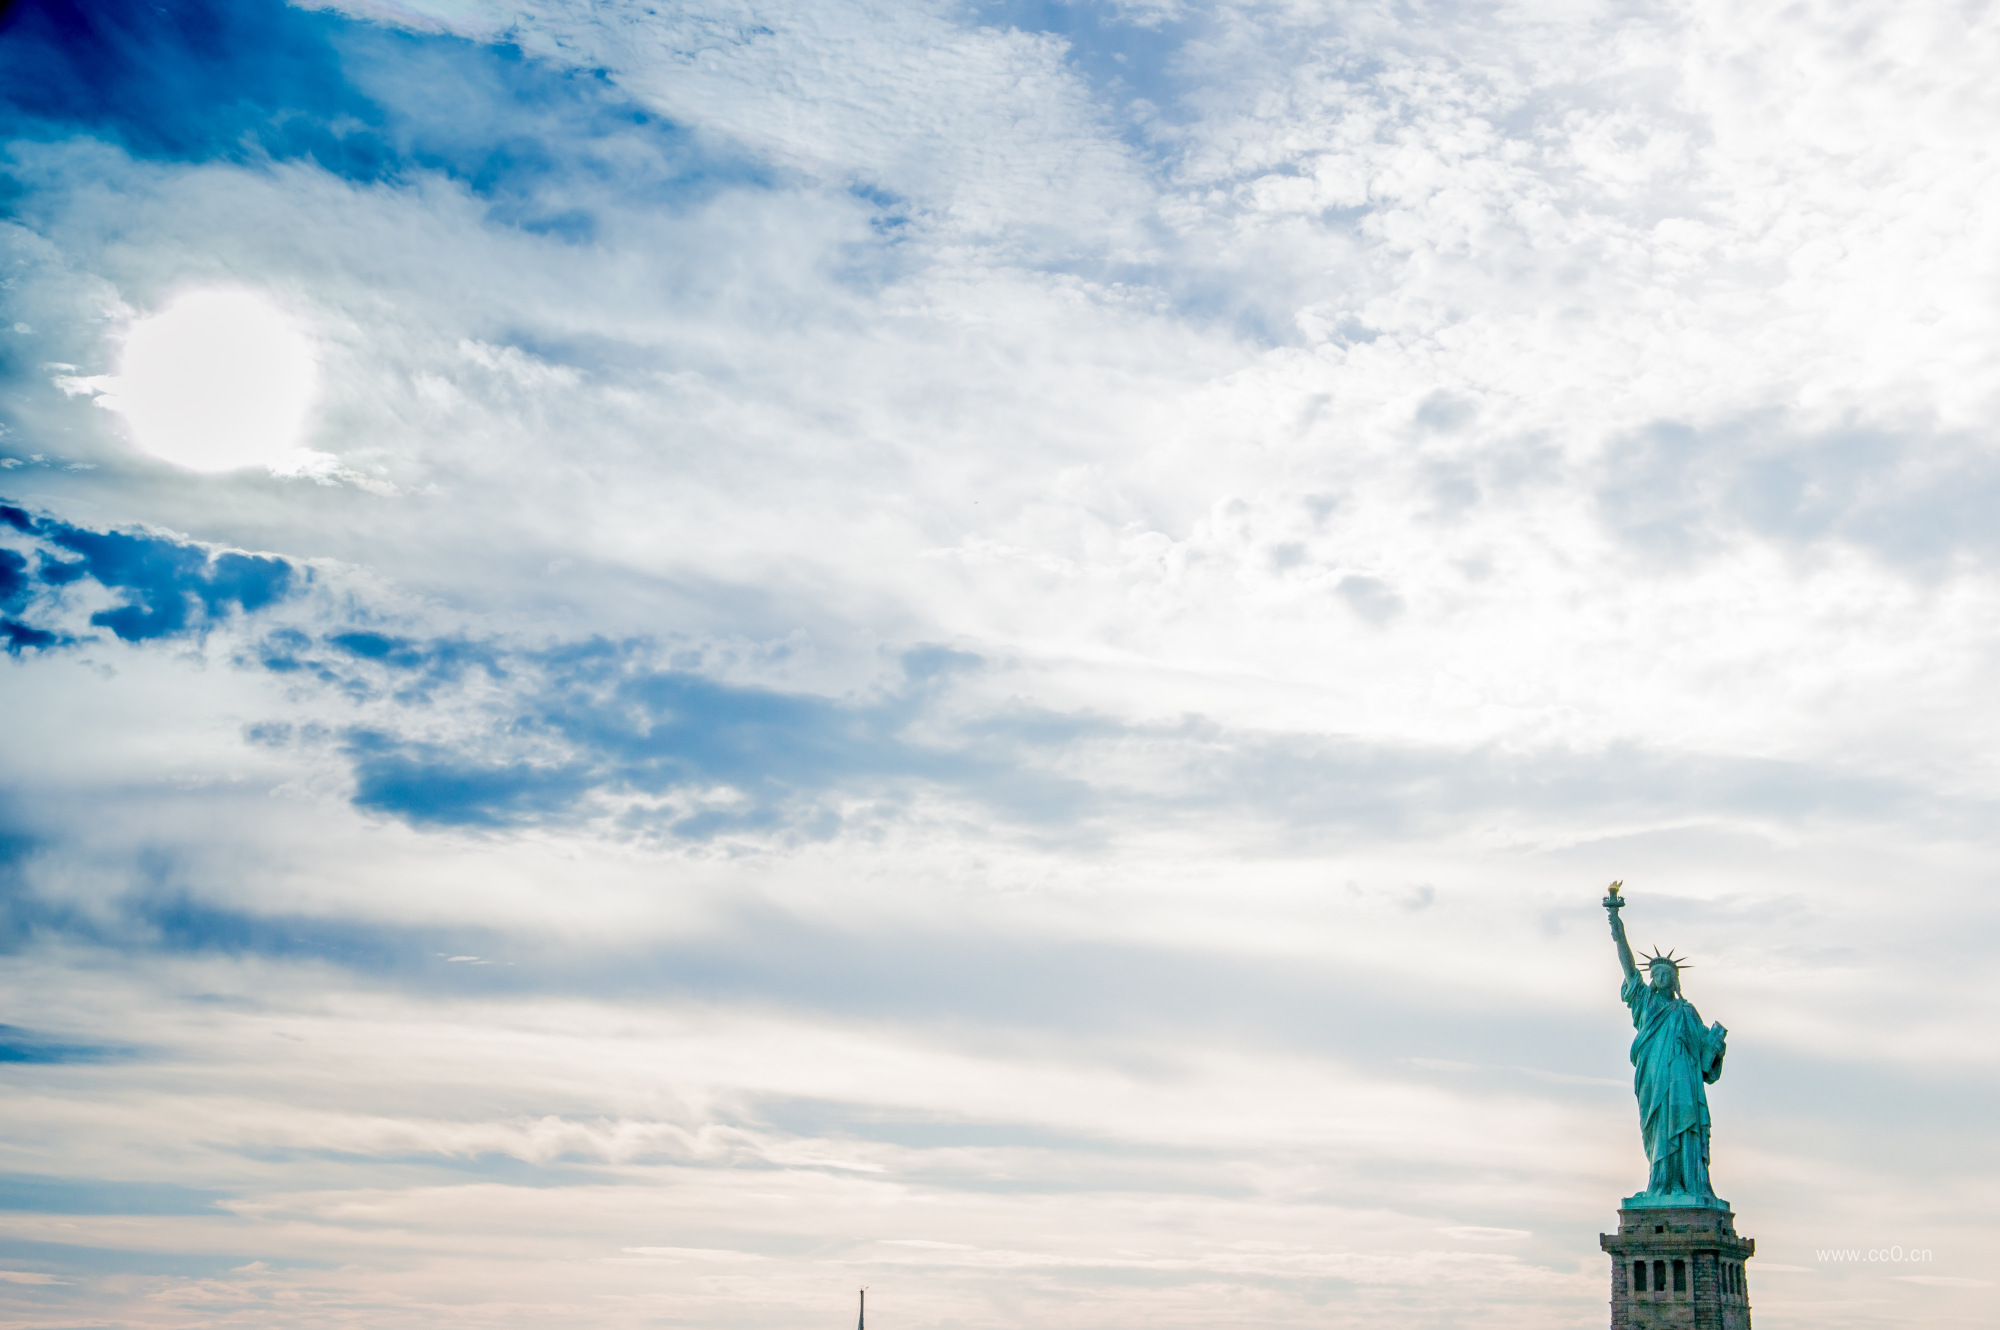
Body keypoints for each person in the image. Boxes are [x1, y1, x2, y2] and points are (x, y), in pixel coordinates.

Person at [1605, 882, 1728, 1199]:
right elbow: (1627, 963)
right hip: (1655, 1077)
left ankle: (1691, 1185)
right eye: (1655, 973)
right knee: (1659, 1129)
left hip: (1685, 1080)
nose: (1660, 977)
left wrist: (1716, 1046)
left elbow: (1705, 1062)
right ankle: (1661, 1184)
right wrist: (1615, 919)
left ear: (1675, 979)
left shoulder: (1687, 1011)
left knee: (1688, 1127)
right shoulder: (1644, 1002)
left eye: (1666, 973)